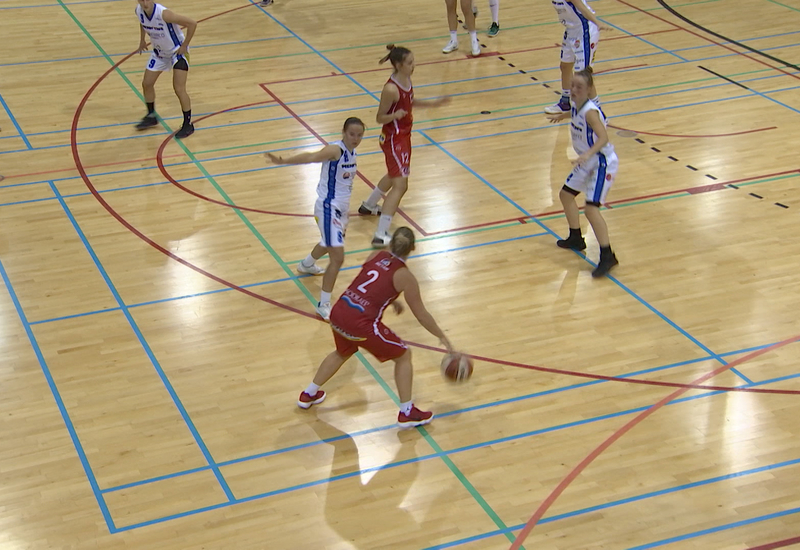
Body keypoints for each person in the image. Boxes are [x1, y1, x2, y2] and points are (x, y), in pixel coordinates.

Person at [297, 227, 456, 428]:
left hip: (339, 312)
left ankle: (309, 393)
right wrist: (443, 337)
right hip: (360, 323)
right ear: (413, 248)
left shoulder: (376, 255)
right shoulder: (405, 276)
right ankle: (407, 412)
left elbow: (368, 284)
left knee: (342, 351)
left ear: (391, 243)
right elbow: (421, 315)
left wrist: (390, 300)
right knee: (404, 355)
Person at [266, 118, 366, 320]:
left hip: (341, 210)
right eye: (351, 134)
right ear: (343, 132)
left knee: (329, 243)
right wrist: (283, 161)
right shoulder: (335, 150)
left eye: (359, 135)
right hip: (328, 207)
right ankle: (324, 304)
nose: (355, 138)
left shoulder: (353, 152)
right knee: (337, 258)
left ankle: (306, 264)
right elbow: (311, 157)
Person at [358, 45, 449, 248]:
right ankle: (381, 234)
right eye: (409, 63)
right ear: (398, 65)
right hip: (394, 139)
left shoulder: (406, 80)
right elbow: (379, 117)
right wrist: (394, 115)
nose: (413, 66)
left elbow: (410, 102)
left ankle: (369, 205)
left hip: (403, 137)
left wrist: (433, 104)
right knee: (401, 185)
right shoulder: (390, 89)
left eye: (413, 61)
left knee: (394, 174)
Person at [546, 68, 619, 278]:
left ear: (589, 90)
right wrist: (564, 115)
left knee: (590, 209)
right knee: (566, 195)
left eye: (579, 87)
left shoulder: (590, 111)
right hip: (587, 160)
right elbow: (575, 112)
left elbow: (603, 138)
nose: (574, 90)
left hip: (601, 162)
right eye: (572, 86)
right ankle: (576, 237)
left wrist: (586, 154)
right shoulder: (577, 105)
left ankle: (607, 255)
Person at [134, 0, 197, 138]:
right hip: (160, 53)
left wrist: (185, 45)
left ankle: (188, 125)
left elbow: (192, 23)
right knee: (147, 83)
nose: (145, 3)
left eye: (147, 0)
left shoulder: (164, 14)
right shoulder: (139, 11)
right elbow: (143, 22)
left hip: (177, 52)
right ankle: (151, 116)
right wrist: (142, 40)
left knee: (179, 88)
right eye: (141, 0)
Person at [544, 0, 611, 115]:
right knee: (565, 66)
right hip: (571, 30)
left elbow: (583, 9)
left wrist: (597, 23)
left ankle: (598, 112)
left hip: (585, 29)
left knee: (583, 75)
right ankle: (565, 103)